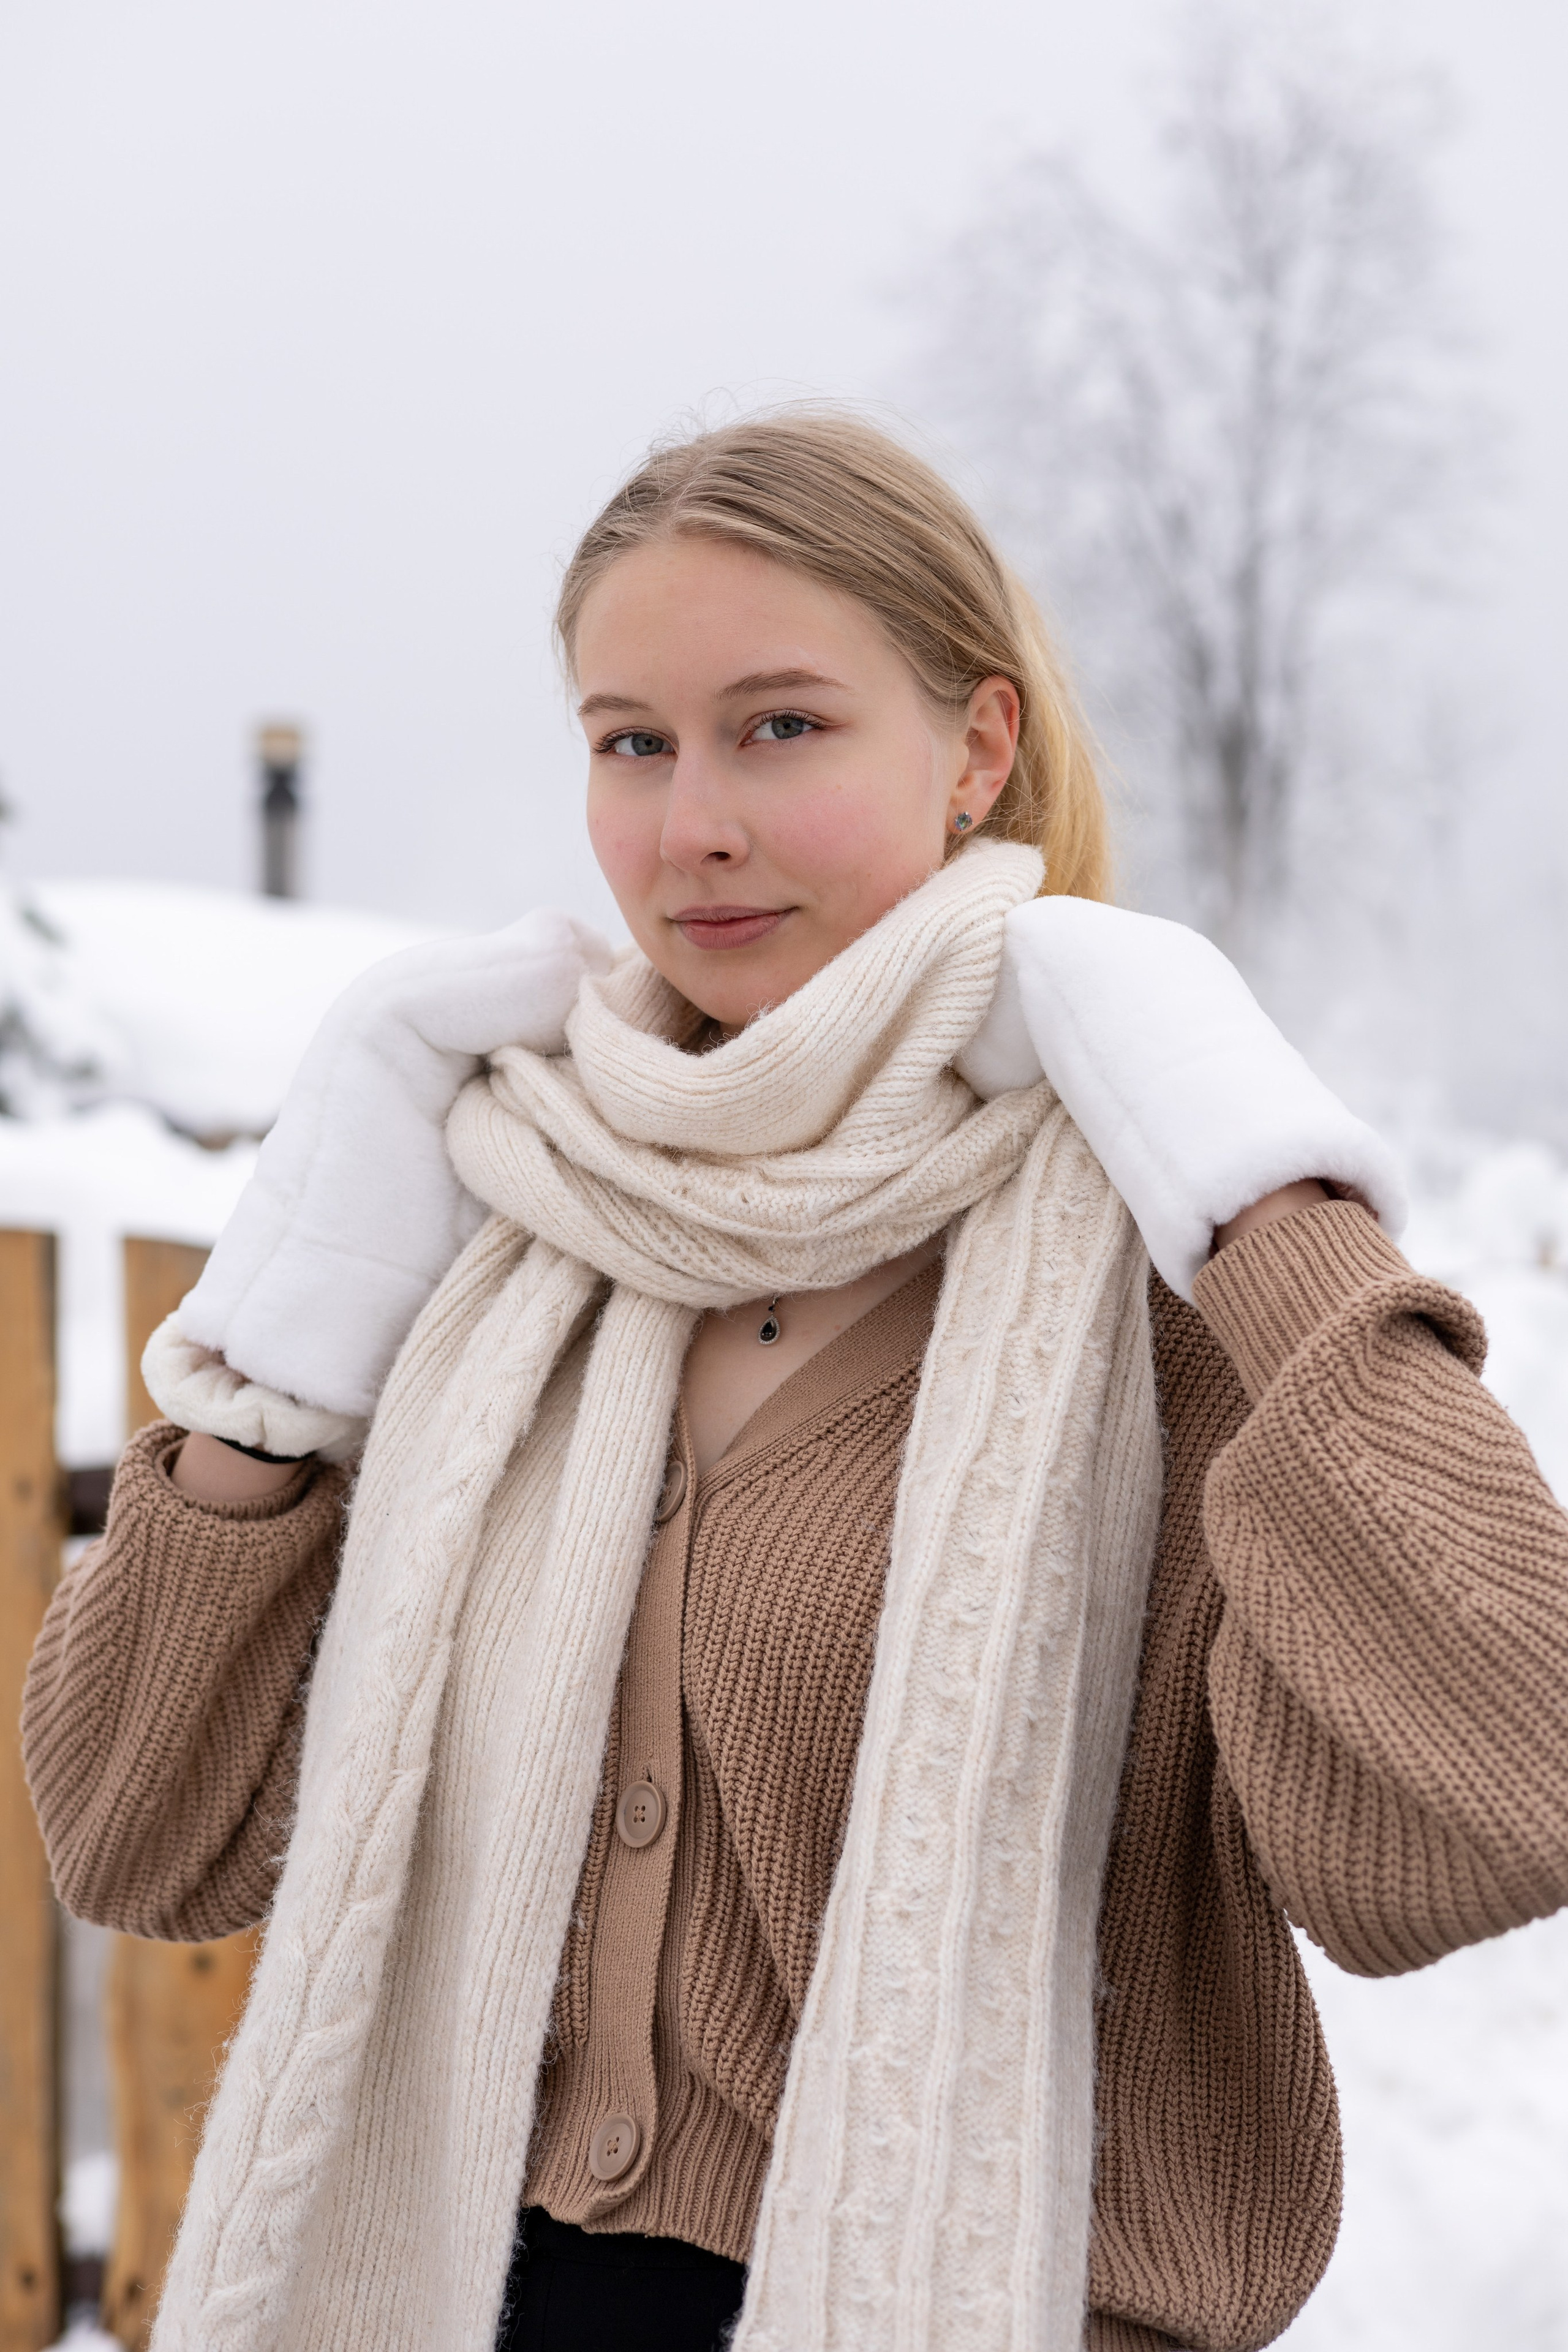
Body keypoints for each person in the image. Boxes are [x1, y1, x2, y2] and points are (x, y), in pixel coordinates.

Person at [24, 412, 1568, 2352]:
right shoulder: (518, 1247)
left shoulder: (1162, 1289)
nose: (695, 826)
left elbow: (1504, 1796)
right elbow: (134, 1833)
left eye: (781, 727)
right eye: (632, 741)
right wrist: (279, 1354)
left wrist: (1269, 1199)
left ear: (978, 749)